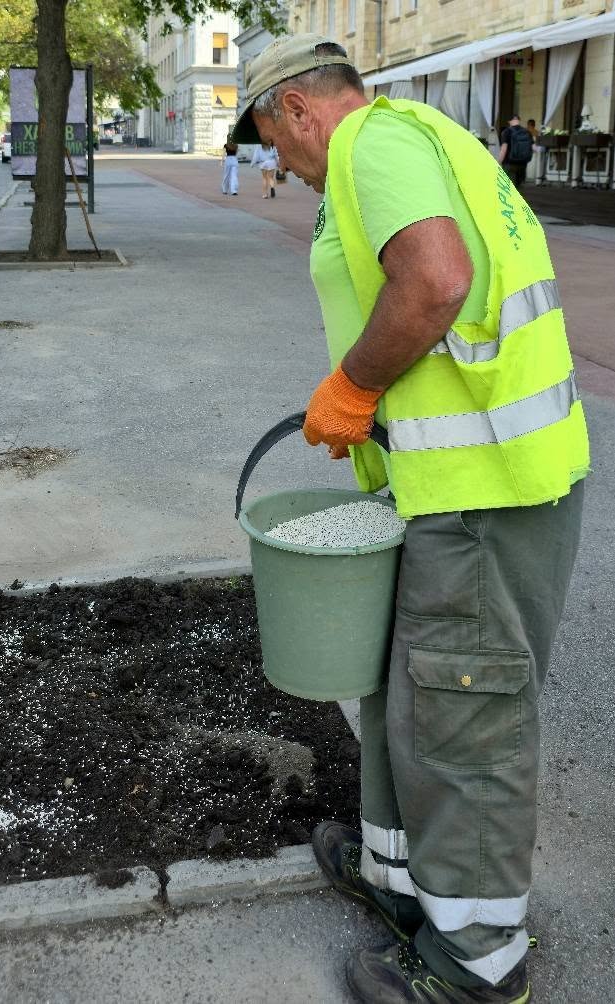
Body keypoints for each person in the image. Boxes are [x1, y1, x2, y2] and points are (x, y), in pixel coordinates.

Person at [231, 33, 589, 1004]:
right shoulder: (422, 134)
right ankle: (401, 878)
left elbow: (433, 280)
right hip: (457, 477)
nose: (278, 165)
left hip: (486, 491)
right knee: (412, 692)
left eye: (272, 142)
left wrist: (352, 387)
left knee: (463, 715)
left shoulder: (369, 146)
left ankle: (478, 963)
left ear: (296, 112)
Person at [498, 114, 534, 189]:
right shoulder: (527, 132)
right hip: (523, 164)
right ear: (519, 120)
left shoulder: (507, 132)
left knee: (508, 187)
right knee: (518, 187)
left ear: (509, 121)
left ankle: (510, 200)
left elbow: (504, 148)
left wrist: (499, 161)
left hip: (509, 163)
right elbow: (532, 147)